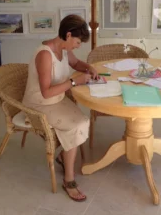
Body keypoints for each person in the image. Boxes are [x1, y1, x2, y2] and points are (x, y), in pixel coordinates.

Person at [22, 14, 98, 202]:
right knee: (76, 125)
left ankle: (64, 157)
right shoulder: (44, 54)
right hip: (39, 103)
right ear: (69, 35)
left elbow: (75, 63)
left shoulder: (64, 48)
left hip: (57, 99)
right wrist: (74, 81)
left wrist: (89, 67)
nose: (78, 46)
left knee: (83, 120)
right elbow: (46, 92)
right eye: (78, 42)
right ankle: (68, 179)